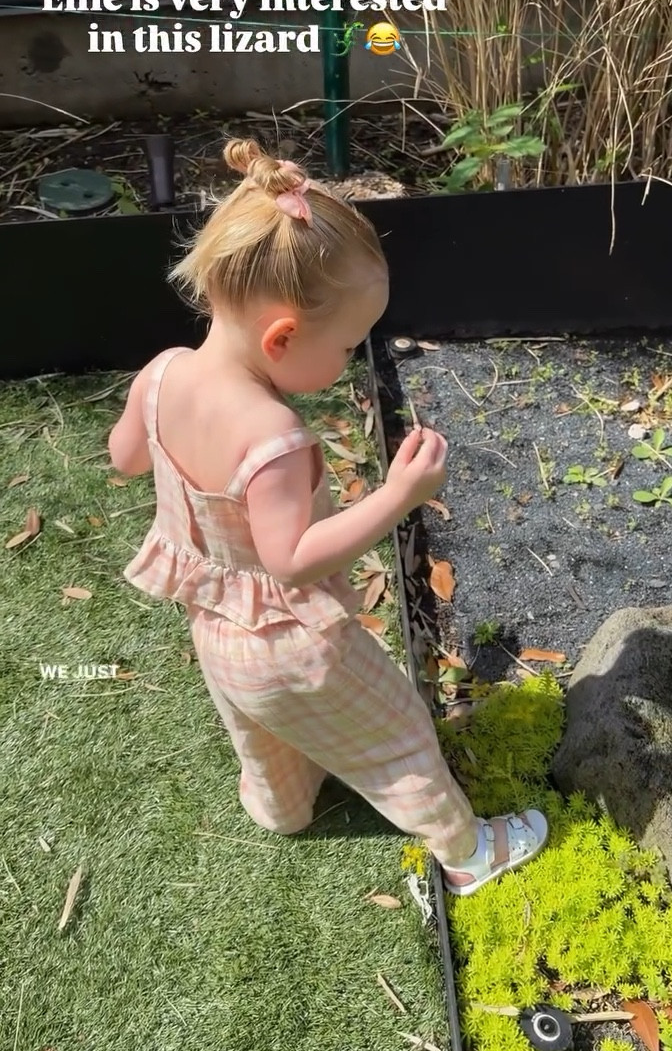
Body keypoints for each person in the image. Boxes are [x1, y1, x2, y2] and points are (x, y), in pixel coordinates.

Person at [108, 138, 548, 896]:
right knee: (400, 736)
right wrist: (399, 495)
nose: (350, 357)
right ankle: (469, 853)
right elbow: (291, 559)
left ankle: (280, 807)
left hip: (217, 633)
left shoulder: (161, 374)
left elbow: (124, 458)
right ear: (281, 336)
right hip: (293, 647)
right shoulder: (272, 440)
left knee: (258, 731)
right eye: (347, 345)